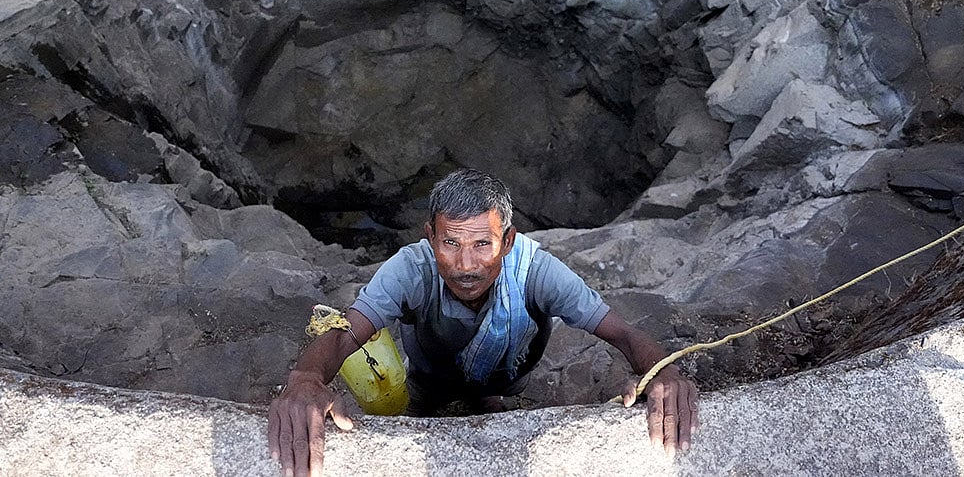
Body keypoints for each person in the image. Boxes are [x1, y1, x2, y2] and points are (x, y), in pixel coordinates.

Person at [268, 169, 698, 477]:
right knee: (418, 411)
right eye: (451, 243)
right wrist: (306, 378)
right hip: (427, 377)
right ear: (430, 237)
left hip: (503, 381)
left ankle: (486, 403)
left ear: (508, 241)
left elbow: (622, 332)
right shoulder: (411, 268)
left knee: (489, 404)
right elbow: (346, 333)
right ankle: (431, 407)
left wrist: (664, 373)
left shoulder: (538, 273)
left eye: (483, 244)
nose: (466, 265)